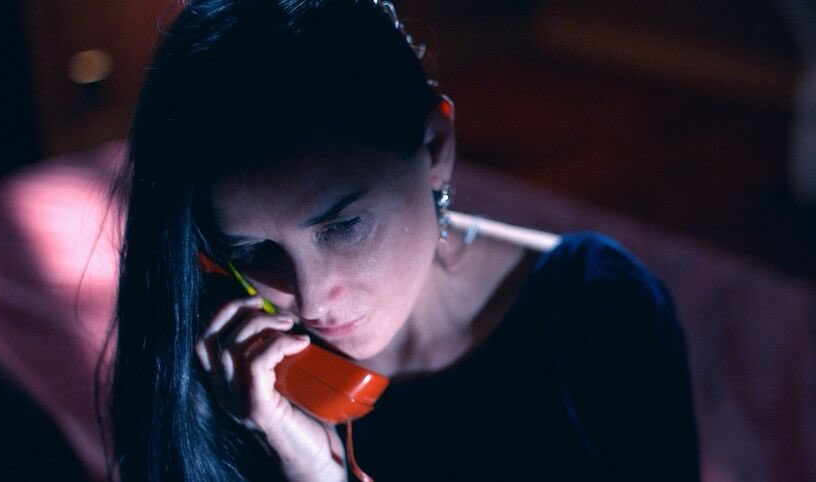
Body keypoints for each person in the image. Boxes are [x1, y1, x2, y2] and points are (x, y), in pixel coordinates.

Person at [104, 0, 701, 481]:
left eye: (343, 226)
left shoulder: (599, 308)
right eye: (252, 251)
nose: (311, 300)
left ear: (435, 147)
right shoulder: (224, 369)